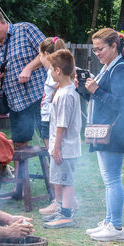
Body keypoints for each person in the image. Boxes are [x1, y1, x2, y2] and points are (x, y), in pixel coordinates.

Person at [78, 28, 124, 242]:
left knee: (112, 180)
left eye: (100, 49)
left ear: (113, 46)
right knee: (108, 179)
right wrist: (83, 89)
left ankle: (117, 227)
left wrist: (96, 91)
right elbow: (98, 99)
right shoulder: (108, 68)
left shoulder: (120, 69)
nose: (97, 53)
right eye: (95, 50)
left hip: (115, 132)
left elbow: (121, 104)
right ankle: (110, 221)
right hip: (106, 131)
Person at [0, 7, 47, 147]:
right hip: (16, 102)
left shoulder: (25, 29)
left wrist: (29, 68)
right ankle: (21, 170)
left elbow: (49, 52)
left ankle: (56, 169)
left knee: (49, 140)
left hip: (39, 96)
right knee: (19, 146)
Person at [41, 49, 83, 229]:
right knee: (61, 179)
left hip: (65, 148)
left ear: (58, 70)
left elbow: (62, 125)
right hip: (62, 148)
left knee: (66, 181)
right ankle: (63, 210)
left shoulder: (66, 95)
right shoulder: (65, 90)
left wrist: (56, 148)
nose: (50, 72)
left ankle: (66, 215)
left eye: (51, 69)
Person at [36, 37, 66, 217]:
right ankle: (63, 199)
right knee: (55, 159)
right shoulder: (53, 72)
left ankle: (58, 202)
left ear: (46, 55)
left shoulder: (54, 73)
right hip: (49, 119)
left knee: (55, 159)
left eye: (40, 55)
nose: (39, 59)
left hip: (50, 120)